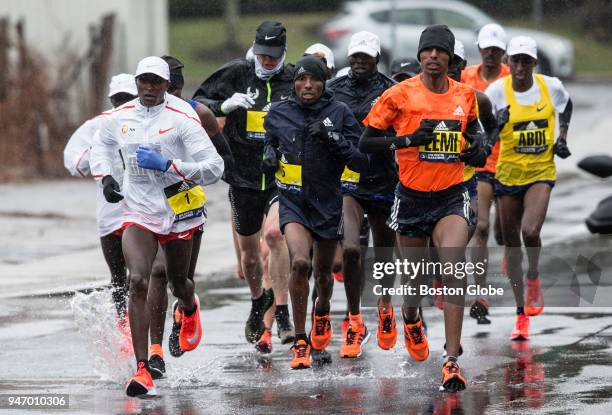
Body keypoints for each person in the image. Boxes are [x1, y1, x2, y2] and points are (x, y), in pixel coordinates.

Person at [360, 25, 486, 392]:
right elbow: (368, 141)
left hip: (452, 194)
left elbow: (476, 133)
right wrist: (409, 140)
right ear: (419, 57)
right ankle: (411, 317)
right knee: (413, 282)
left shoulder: (465, 95)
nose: (433, 57)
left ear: (450, 59)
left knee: (452, 267)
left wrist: (477, 148)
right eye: (427, 51)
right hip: (411, 196)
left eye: (440, 52)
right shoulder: (399, 95)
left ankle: (451, 360)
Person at [91, 56, 224, 397]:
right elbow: (101, 148)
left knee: (178, 283)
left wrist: (170, 164)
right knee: (138, 279)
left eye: (156, 82)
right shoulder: (119, 118)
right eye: (143, 82)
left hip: (179, 212)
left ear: (167, 85)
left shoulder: (182, 118)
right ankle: (141, 369)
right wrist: (106, 177)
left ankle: (189, 307)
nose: (149, 89)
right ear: (136, 83)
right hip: (138, 211)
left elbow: (214, 167)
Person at [262, 55, 368, 369]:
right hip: (293, 200)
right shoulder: (279, 112)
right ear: (294, 82)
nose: (307, 86)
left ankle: (321, 311)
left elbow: (361, 161)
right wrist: (268, 154)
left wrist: (333, 138)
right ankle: (300, 340)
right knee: (299, 262)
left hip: (328, 202)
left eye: (315, 80)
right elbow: (270, 141)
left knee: (323, 275)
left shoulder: (340, 112)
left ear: (324, 83)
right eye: (301, 80)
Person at [193, 21, 295, 345]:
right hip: (243, 176)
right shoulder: (237, 72)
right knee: (250, 258)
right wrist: (224, 106)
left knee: (275, 235)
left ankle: (282, 312)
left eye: (273, 56)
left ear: (283, 52)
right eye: (263, 55)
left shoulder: (293, 78)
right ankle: (257, 302)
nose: (267, 62)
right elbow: (194, 105)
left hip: (281, 176)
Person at [484, 36, 572, 340]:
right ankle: (521, 315)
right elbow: (482, 132)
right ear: (508, 62)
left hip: (540, 172)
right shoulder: (496, 91)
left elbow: (566, 105)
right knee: (510, 246)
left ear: (534, 63)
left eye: (526, 61)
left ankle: (533, 276)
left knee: (530, 232)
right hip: (507, 175)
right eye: (515, 61)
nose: (520, 67)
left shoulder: (550, 86)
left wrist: (562, 137)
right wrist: (496, 123)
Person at [327, 31, 398, 358]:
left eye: (365, 58)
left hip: (384, 181)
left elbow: (405, 133)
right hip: (348, 182)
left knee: (384, 253)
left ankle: (384, 306)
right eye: (354, 57)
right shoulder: (333, 90)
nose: (358, 63)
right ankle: (354, 319)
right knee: (352, 250)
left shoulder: (391, 91)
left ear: (376, 60)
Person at [63, 73, 137, 336]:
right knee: (118, 277)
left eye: (129, 98)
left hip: (141, 212)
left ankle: (145, 326)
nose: (123, 104)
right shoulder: (96, 126)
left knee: (141, 275)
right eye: (118, 99)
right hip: (109, 214)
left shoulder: (146, 122)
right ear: (111, 100)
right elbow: (72, 161)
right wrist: (100, 155)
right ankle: (123, 325)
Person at [446, 41, 499, 325]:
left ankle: (478, 292)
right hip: (429, 181)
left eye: (454, 63)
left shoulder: (477, 98)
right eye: (444, 60)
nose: (447, 67)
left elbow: (492, 126)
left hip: (466, 177)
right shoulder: (419, 95)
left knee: (477, 227)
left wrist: (483, 148)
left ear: (462, 67)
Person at [462, 24, 511, 323]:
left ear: (503, 52)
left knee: (502, 231)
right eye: (486, 49)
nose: (491, 54)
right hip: (480, 163)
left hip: (509, 163)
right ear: (479, 49)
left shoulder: (513, 76)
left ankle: (508, 246)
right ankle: (480, 294)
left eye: (496, 50)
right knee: (480, 227)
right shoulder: (467, 77)